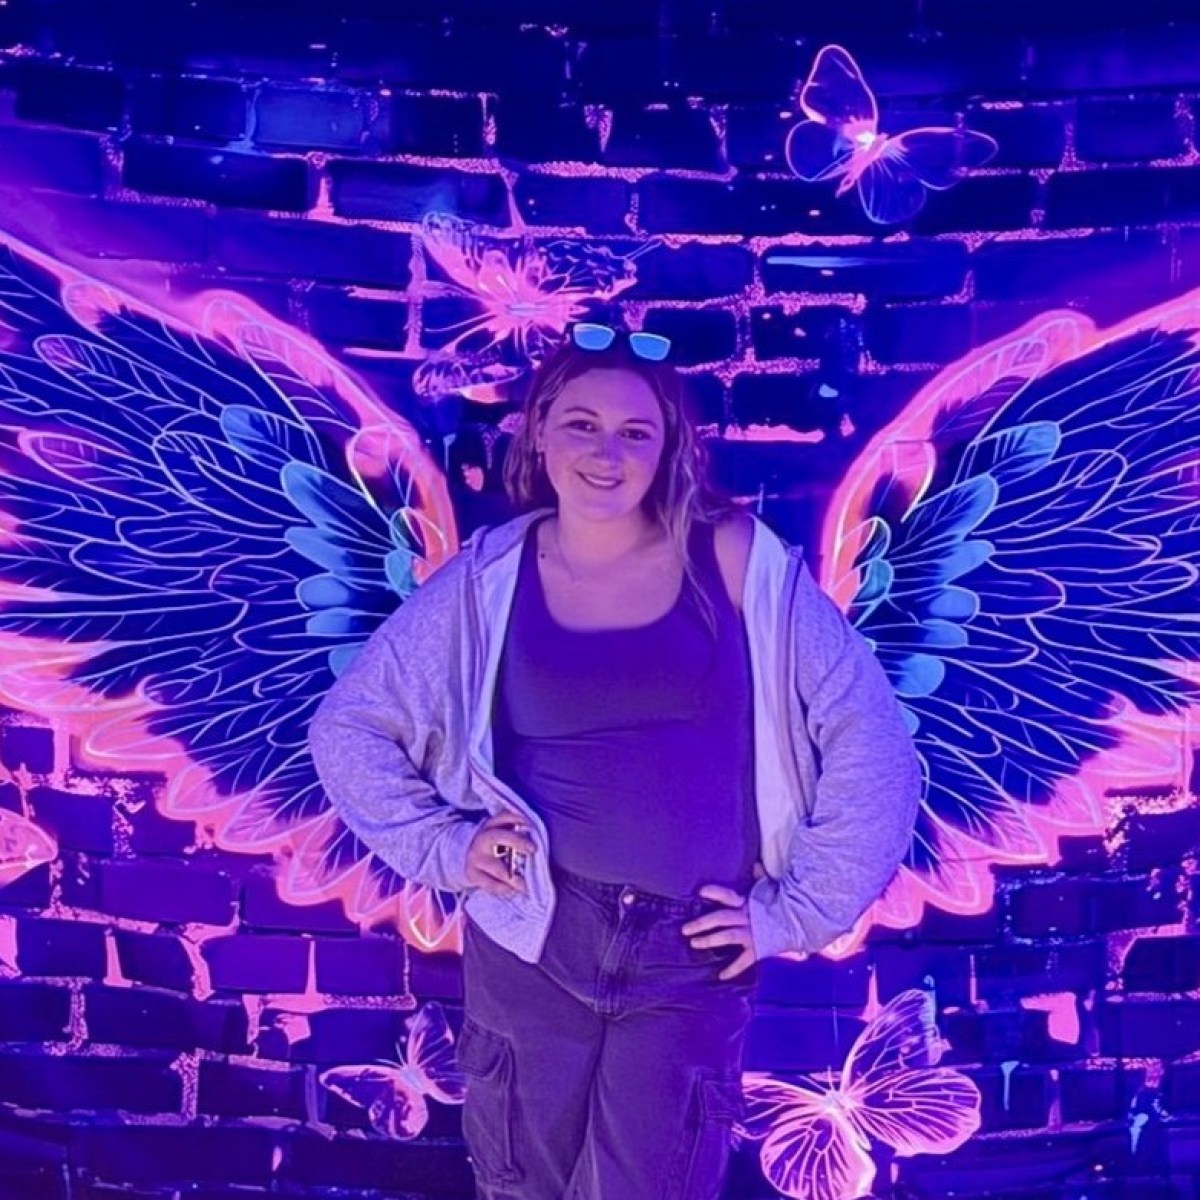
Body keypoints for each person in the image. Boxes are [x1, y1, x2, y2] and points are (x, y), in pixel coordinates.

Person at [308, 322, 920, 1200]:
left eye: (636, 431)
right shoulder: (491, 576)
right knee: (524, 1188)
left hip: (687, 951)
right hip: (534, 939)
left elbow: (872, 740)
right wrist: (447, 847)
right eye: (581, 424)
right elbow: (350, 728)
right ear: (539, 433)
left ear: (667, 448)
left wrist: (797, 912)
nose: (606, 453)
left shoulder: (735, 559)